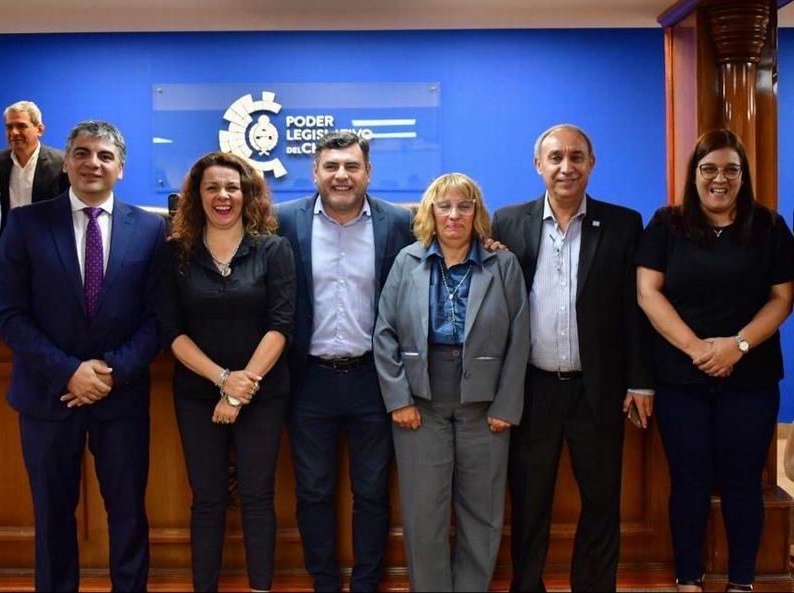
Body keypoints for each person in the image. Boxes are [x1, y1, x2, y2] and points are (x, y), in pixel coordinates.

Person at [0, 120, 165, 592]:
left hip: (120, 397)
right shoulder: (25, 225)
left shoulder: (150, 229)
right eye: (83, 153)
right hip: (46, 396)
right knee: (52, 516)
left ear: (121, 168)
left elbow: (158, 317)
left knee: (128, 513)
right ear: (66, 163)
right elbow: (8, 313)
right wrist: (68, 372)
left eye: (105, 156)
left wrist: (110, 371)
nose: (94, 163)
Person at [491, 123, 654, 592]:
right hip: (532, 387)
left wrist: (640, 381)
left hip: (596, 388)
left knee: (601, 502)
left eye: (576, 157)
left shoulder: (623, 224)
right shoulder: (508, 222)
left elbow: (634, 310)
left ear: (591, 164)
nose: (566, 167)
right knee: (529, 502)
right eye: (556, 157)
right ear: (538, 165)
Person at [636, 129, 794, 593]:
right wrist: (697, 349)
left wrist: (736, 346)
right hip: (680, 378)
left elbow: (783, 298)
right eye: (709, 169)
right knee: (688, 482)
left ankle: (742, 581)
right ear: (694, 174)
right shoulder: (666, 224)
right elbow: (648, 292)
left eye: (730, 170)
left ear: (743, 176)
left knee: (744, 482)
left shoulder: (769, 227)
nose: (719, 179)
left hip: (751, 379)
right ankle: (689, 579)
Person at [373, 173, 529, 591]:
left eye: (464, 206)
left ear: (477, 212)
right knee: (424, 511)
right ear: (431, 212)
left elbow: (520, 338)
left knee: (483, 509)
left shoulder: (502, 263)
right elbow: (384, 332)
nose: (454, 215)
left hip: (485, 403)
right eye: (444, 206)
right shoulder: (407, 261)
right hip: (421, 401)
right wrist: (398, 399)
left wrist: (506, 405)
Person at [276, 131, 413, 592]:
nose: (341, 175)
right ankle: (325, 583)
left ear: (367, 173)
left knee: (372, 492)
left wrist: (491, 245)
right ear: (314, 172)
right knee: (313, 491)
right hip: (308, 379)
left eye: (352, 166)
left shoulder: (399, 222)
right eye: (331, 166)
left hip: (374, 379)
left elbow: (448, 249)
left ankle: (367, 583)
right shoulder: (282, 221)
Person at [157, 152, 295, 592]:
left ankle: (259, 588)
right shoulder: (177, 252)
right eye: (212, 187)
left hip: (262, 392)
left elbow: (281, 325)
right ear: (197, 196)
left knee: (257, 496)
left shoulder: (273, 248)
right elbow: (171, 331)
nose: (223, 195)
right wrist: (222, 380)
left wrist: (238, 390)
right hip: (197, 394)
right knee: (207, 498)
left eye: (232, 187)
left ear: (247, 194)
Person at [0, 100, 69, 236]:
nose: (14, 132)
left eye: (21, 126)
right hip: (8, 241)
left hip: (46, 240)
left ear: (39, 129)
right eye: (9, 127)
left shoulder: (62, 163)